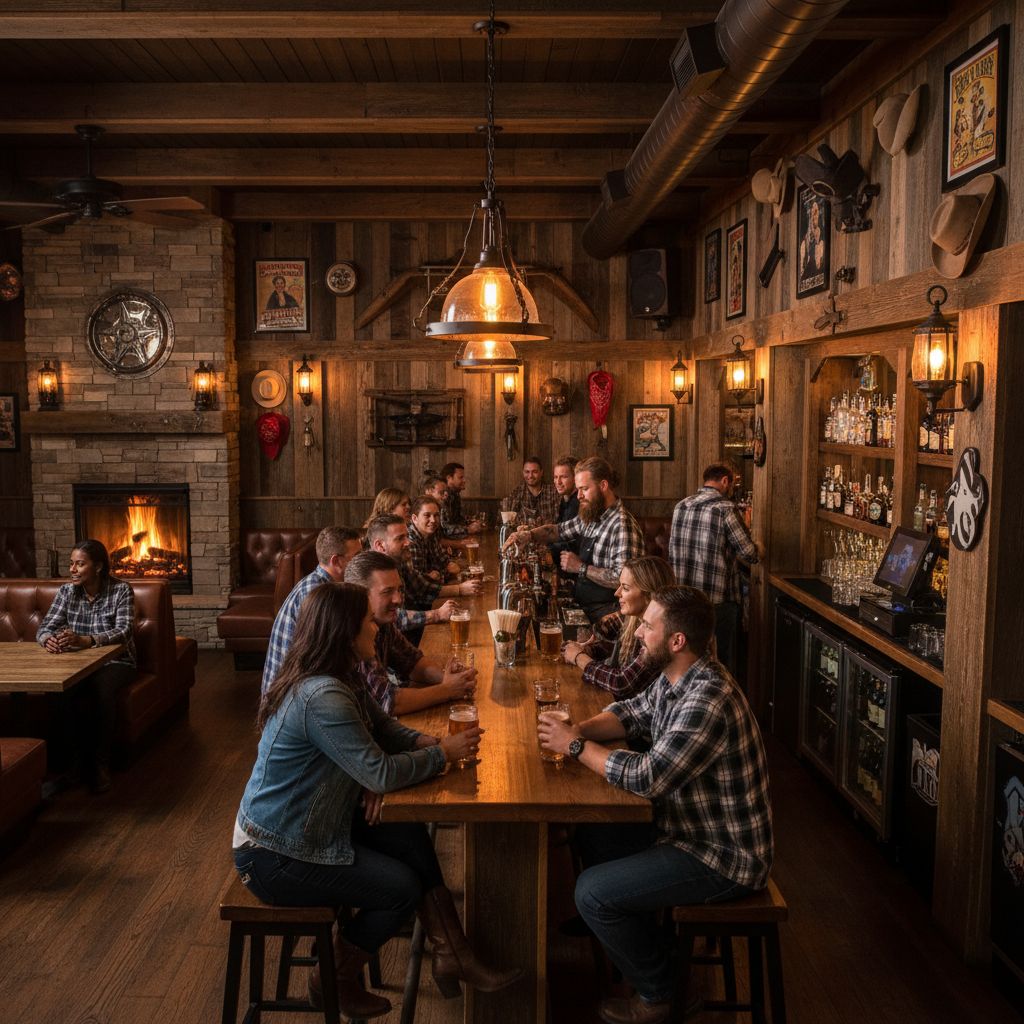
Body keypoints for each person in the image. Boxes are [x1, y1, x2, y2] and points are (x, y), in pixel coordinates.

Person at [234, 583, 520, 1020]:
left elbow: (384, 728)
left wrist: (430, 741)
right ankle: (333, 980)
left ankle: (453, 952)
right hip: (276, 852)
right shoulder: (322, 696)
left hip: (309, 825)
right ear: (346, 631)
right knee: (399, 889)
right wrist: (441, 754)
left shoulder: (341, 675)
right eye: (368, 621)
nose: (376, 627)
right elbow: (379, 772)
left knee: (406, 834)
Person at [537, 586, 773, 1024]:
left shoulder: (707, 698)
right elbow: (630, 712)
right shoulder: (676, 677)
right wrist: (576, 729)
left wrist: (574, 747)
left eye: (648, 625)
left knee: (591, 893)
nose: (639, 632)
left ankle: (663, 992)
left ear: (677, 640)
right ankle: (645, 945)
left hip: (722, 856)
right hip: (682, 829)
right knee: (597, 832)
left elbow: (649, 777)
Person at [36, 539, 135, 793]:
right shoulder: (67, 592)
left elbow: (124, 632)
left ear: (99, 567)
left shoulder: (121, 590)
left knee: (103, 692)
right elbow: (45, 627)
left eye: (80, 564)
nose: (73, 569)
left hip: (116, 660)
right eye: (71, 564)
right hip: (76, 662)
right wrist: (50, 641)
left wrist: (88, 640)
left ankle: (100, 764)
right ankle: (71, 766)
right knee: (59, 694)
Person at [509, 456, 644, 623]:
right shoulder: (592, 515)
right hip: (584, 606)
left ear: (603, 486)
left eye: (584, 489)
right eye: (578, 489)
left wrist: (581, 568)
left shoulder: (622, 525)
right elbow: (557, 531)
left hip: (609, 615)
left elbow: (622, 579)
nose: (579, 495)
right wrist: (528, 535)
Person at [344, 551, 476, 715]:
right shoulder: (352, 633)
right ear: (359, 594)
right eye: (388, 592)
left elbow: (413, 662)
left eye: (399, 590)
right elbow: (388, 702)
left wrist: (450, 679)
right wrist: (447, 690)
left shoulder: (383, 622)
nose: (398, 599)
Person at [669, 461, 760, 676]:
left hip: (684, 600)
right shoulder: (725, 508)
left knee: (689, 660)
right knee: (722, 663)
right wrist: (760, 546)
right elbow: (750, 554)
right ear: (725, 481)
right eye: (732, 484)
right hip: (716, 604)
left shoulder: (681, 505)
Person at [260, 526, 363, 696]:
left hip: (303, 689)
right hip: (286, 701)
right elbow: (325, 660)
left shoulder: (326, 585)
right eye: (357, 557)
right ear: (336, 561)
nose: (362, 561)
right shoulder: (318, 593)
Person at [562, 556, 676, 699]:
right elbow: (609, 646)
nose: (617, 593)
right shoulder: (633, 619)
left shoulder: (659, 634)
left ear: (649, 595)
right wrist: (588, 650)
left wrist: (579, 657)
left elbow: (622, 683)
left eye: (626, 588)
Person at [365, 514, 476, 645]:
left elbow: (422, 589)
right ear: (380, 545)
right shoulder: (367, 573)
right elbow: (394, 617)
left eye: (407, 536)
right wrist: (436, 614)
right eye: (400, 538)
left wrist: (460, 589)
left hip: (400, 641)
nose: (409, 542)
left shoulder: (398, 562)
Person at [408, 495, 460, 581]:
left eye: (436, 515)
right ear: (414, 518)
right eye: (427, 515)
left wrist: (440, 572)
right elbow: (419, 582)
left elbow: (444, 562)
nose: (433, 520)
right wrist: (443, 573)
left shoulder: (431, 534)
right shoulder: (410, 541)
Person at [505, 456, 559, 525]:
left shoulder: (553, 492)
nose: (530, 476)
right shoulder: (516, 494)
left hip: (548, 534)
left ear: (541, 472)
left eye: (534, 472)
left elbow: (557, 520)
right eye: (527, 472)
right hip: (522, 534)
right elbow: (509, 522)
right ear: (523, 472)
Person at [439, 462, 482, 541]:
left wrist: (472, 522)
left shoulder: (455, 495)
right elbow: (444, 528)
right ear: (449, 478)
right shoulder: (442, 497)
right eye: (460, 477)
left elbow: (458, 520)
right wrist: (468, 529)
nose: (464, 480)